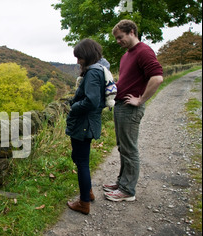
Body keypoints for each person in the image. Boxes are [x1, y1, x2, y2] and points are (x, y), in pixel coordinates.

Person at [104, 20, 163, 202]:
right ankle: (122, 182)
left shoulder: (143, 51)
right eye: (116, 39)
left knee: (129, 148)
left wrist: (141, 99)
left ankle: (128, 190)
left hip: (130, 108)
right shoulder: (126, 55)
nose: (118, 41)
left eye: (120, 37)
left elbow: (157, 78)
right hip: (120, 105)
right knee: (122, 147)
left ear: (131, 32)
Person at [66, 39, 109, 215]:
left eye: (80, 58)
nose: (78, 62)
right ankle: (88, 192)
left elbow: (91, 101)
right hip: (90, 123)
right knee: (80, 158)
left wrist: (74, 107)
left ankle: (84, 203)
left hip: (84, 124)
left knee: (81, 161)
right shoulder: (100, 70)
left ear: (88, 55)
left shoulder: (92, 73)